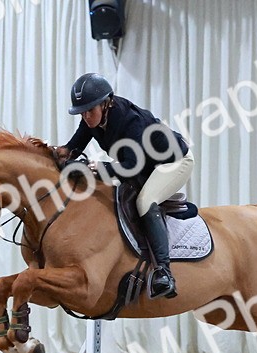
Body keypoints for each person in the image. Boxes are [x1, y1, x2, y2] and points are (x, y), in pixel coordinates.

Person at [56, 73, 193, 299]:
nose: (86, 116)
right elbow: (72, 148)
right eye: (82, 112)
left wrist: (97, 168)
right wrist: (53, 156)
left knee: (145, 202)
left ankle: (164, 273)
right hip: (147, 164)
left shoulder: (130, 121)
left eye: (90, 110)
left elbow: (131, 167)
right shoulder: (91, 119)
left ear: (106, 103)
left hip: (174, 162)